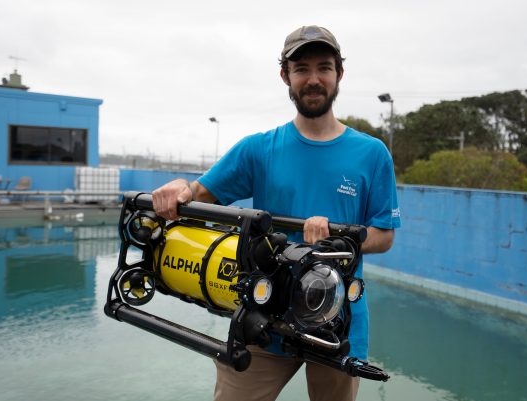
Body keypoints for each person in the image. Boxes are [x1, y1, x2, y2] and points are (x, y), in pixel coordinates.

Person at [153, 25, 401, 401]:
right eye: (301, 68)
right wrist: (177, 185)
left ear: (339, 74)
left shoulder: (372, 154)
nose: (313, 79)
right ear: (285, 76)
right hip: (263, 313)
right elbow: (198, 193)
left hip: (336, 321)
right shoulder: (258, 149)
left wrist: (340, 239)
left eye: (324, 67)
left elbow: (383, 235)